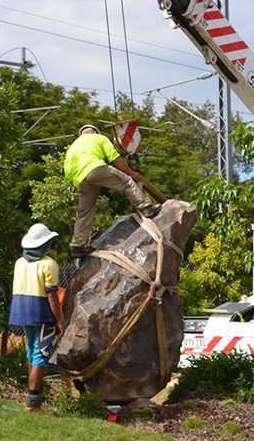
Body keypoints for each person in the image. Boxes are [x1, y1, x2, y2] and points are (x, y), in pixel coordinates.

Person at [63, 124, 158, 260]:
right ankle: (145, 207)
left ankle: (78, 246)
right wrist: (131, 173)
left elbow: (67, 172)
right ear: (94, 131)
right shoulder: (99, 138)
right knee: (126, 181)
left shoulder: (72, 147)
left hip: (79, 179)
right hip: (95, 168)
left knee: (85, 212)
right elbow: (115, 159)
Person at [8, 222, 63, 411]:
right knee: (41, 355)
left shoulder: (19, 262)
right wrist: (59, 319)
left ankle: (31, 398)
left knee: (32, 352)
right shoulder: (49, 264)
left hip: (21, 311)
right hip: (41, 312)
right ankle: (33, 403)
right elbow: (52, 295)